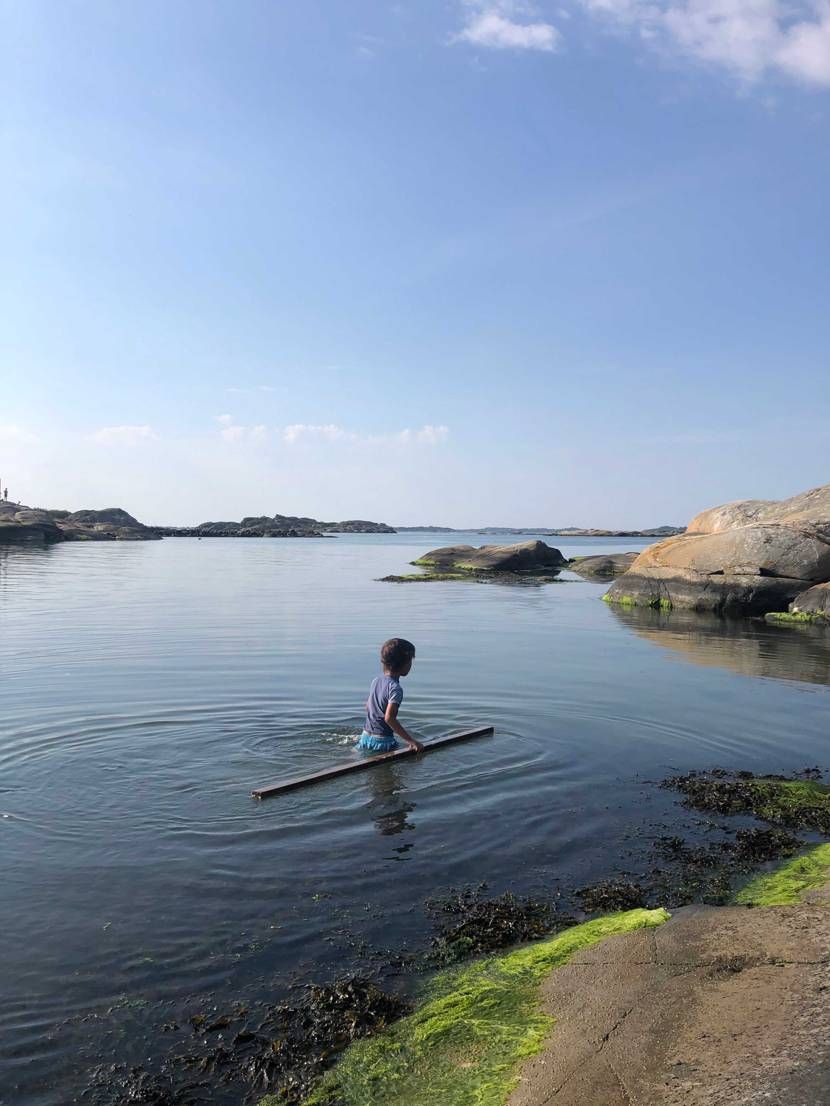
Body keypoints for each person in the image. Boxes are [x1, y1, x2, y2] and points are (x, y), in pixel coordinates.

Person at [357, 638, 424, 754]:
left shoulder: (376, 681)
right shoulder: (395, 688)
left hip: (365, 736)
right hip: (383, 742)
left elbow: (368, 707)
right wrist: (411, 741)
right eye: (411, 661)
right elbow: (389, 718)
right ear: (405, 663)